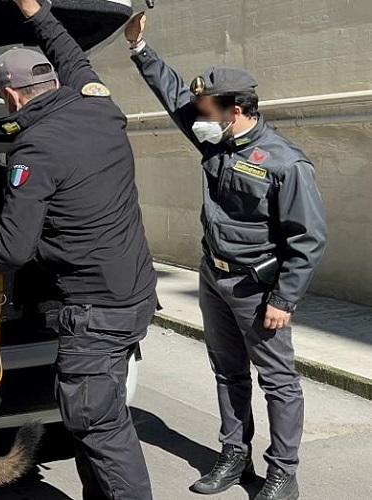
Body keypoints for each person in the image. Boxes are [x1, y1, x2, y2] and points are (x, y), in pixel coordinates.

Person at [125, 12, 327, 500]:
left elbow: (309, 238)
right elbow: (174, 96)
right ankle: (234, 456)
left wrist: (284, 298)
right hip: (214, 279)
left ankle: (283, 472)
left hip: (259, 289)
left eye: (205, 108)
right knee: (227, 371)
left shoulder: (285, 162)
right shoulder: (216, 139)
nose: (196, 116)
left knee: (277, 380)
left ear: (234, 109)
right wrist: (139, 49)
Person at [0, 1, 158, 498]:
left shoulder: (36, 148)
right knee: (98, 416)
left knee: (98, 424)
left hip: (97, 311)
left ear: (12, 95)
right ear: (52, 83)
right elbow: (72, 55)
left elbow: (13, 249)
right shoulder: (99, 105)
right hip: (135, 294)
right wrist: (37, 11)